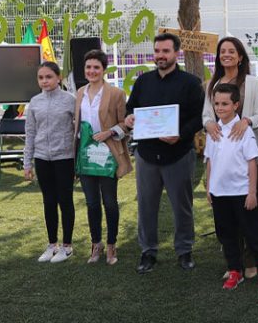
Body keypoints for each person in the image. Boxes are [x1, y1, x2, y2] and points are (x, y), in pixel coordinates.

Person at [125, 32, 205, 274]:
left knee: (182, 205)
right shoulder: (143, 81)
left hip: (178, 154)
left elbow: (199, 118)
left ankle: (184, 250)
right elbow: (131, 108)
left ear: (176, 53)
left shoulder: (191, 83)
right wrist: (129, 117)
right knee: (146, 206)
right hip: (147, 154)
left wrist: (180, 134)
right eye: (157, 51)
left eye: (165, 52)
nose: (160, 56)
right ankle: (148, 251)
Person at [202, 36, 258, 280]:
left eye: (232, 51)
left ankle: (253, 259)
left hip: (250, 156)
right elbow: (206, 115)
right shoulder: (212, 84)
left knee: (253, 212)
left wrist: (246, 121)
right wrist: (209, 124)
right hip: (221, 159)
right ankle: (234, 263)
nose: (227, 55)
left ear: (241, 56)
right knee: (227, 215)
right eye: (223, 51)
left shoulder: (252, 83)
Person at [73, 49, 133, 265]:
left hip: (107, 155)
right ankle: (95, 243)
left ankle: (111, 245)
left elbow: (125, 124)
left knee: (109, 202)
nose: (91, 71)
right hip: (86, 155)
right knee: (91, 203)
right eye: (88, 67)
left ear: (104, 69)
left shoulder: (116, 93)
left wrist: (108, 132)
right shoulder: (79, 92)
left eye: (96, 67)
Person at [23, 61, 77, 263]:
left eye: (49, 77)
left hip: (64, 158)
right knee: (49, 201)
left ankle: (67, 246)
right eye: (41, 77)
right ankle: (52, 244)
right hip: (42, 158)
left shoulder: (70, 100)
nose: (44, 81)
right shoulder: (34, 101)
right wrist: (27, 162)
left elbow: (78, 131)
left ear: (58, 78)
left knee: (65, 200)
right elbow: (30, 133)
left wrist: (77, 158)